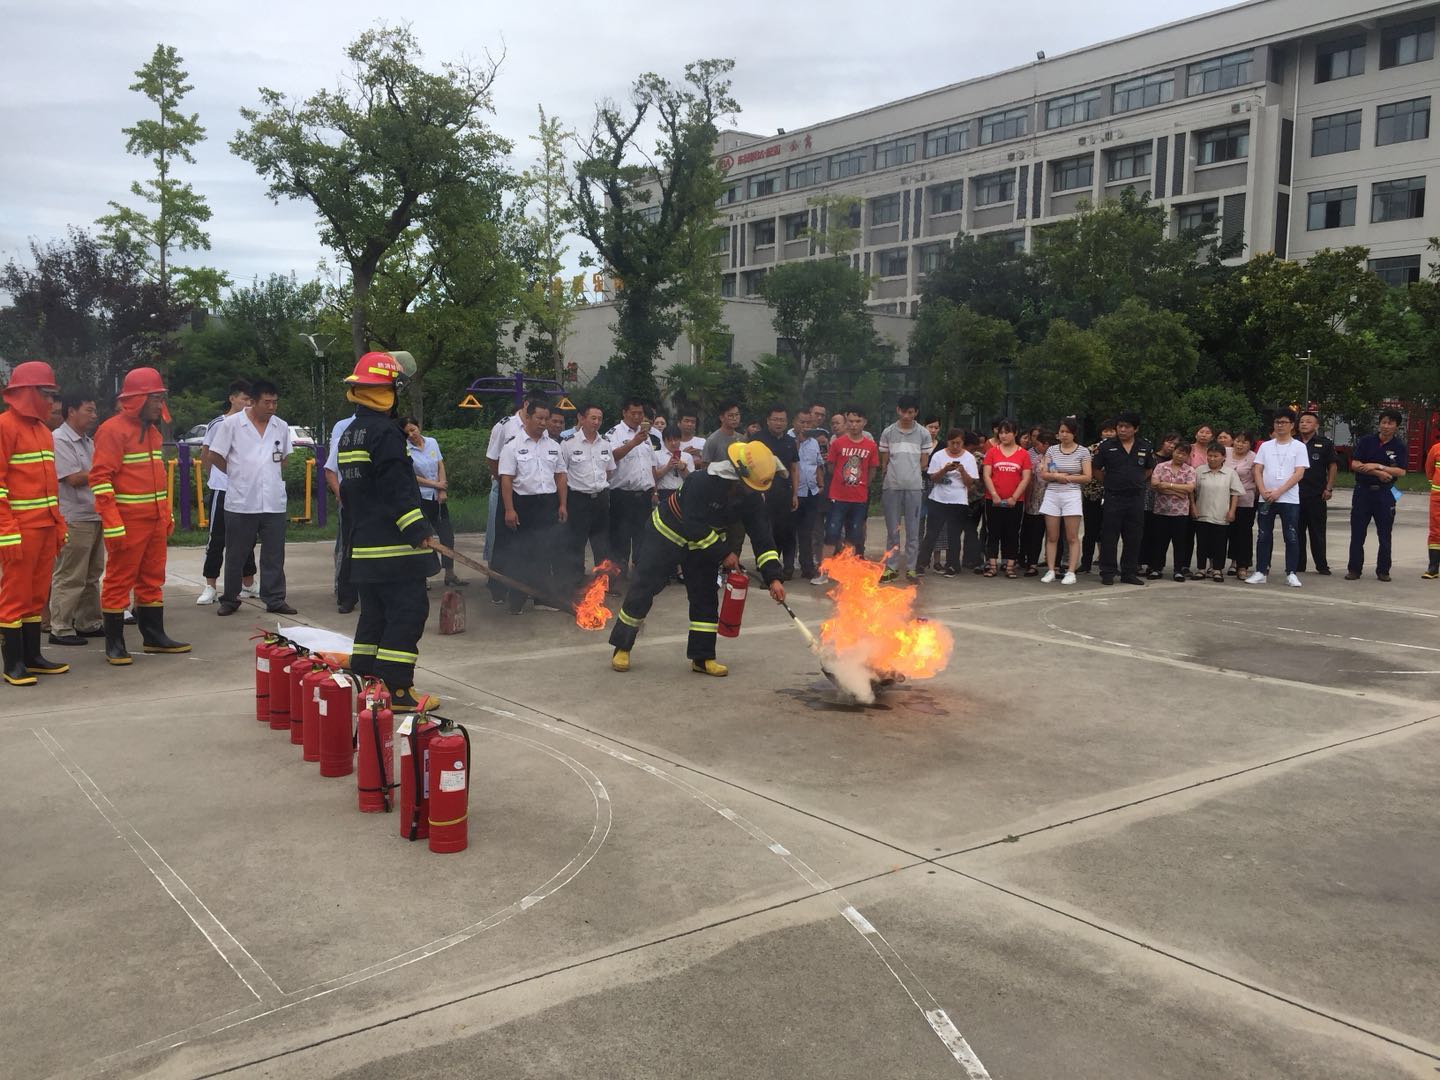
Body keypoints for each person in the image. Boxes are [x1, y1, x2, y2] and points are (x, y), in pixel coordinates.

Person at [608, 441, 785, 676]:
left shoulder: (751, 498)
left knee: (705, 597)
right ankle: (622, 647)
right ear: (737, 475)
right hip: (667, 535)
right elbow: (693, 524)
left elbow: (763, 538)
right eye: (750, 486)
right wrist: (724, 553)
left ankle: (702, 658)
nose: (754, 492)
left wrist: (773, 577)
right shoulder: (700, 482)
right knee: (644, 588)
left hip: (704, 545)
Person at [337, 353, 439, 712]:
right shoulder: (386, 434)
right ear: (389, 392)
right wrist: (420, 530)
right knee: (408, 612)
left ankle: (367, 677)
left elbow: (354, 493)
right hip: (395, 550)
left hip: (365, 545)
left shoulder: (351, 433)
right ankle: (397, 690)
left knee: (374, 614)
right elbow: (397, 489)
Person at [90, 367, 189, 664]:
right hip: (128, 522)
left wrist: (166, 513)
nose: (161, 405)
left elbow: (156, 477)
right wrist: (113, 523)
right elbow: (100, 479)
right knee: (119, 580)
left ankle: (154, 637)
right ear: (138, 399)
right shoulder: (112, 430)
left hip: (155, 520)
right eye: (156, 399)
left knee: (152, 579)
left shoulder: (153, 431)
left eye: (161, 398)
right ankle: (115, 644)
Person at [0, 362, 69, 685]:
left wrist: (57, 525)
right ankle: (12, 663)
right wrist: (7, 531)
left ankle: (32, 657)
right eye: (46, 394)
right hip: (19, 529)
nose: (52, 402)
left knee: (36, 595)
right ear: (28, 393)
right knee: (14, 596)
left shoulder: (43, 432)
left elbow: (49, 485)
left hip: (44, 527)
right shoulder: (4, 427)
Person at [206, 379, 295, 616]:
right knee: (236, 552)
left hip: (273, 501)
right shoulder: (232, 425)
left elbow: (284, 459)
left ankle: (275, 598)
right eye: (267, 402)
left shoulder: (281, 426)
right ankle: (231, 598)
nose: (272, 407)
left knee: (274, 554)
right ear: (253, 402)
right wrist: (236, 473)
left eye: (275, 402)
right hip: (241, 501)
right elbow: (215, 455)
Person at [497, 398, 567, 614]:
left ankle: (542, 598)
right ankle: (517, 599)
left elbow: (561, 476)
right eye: (539, 418)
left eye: (547, 419)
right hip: (523, 504)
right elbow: (506, 479)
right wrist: (509, 509)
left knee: (545, 552)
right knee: (522, 553)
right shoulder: (513, 446)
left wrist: (562, 504)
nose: (544, 423)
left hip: (547, 503)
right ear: (527, 417)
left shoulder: (554, 446)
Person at [48, 391, 105, 647]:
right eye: (89, 410)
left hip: (94, 514)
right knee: (71, 574)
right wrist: (103, 472)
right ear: (71, 411)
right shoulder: (59, 440)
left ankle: (88, 622)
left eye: (94, 411)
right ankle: (60, 627)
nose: (94, 415)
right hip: (74, 517)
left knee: (93, 573)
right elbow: (72, 477)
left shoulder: (87, 441)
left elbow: (91, 473)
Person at [196, 380, 257, 606]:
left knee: (247, 538)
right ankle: (210, 586)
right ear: (232, 398)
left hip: (245, 491)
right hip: (222, 489)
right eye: (244, 399)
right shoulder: (219, 424)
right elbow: (207, 454)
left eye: (251, 400)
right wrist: (216, 479)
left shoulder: (251, 425)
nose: (248, 404)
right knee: (217, 539)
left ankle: (248, 583)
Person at [487, 396, 543, 602]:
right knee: (503, 543)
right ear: (527, 405)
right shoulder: (505, 426)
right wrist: (502, 480)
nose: (543, 421)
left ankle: (525, 590)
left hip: (533, 497)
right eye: (539, 415)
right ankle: (498, 589)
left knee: (529, 546)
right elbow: (492, 458)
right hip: (507, 490)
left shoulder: (544, 434)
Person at [814, 406, 879, 584]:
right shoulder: (837, 443)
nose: (854, 425)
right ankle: (824, 572)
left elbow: (872, 471)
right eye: (850, 421)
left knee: (853, 536)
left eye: (858, 421)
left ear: (864, 423)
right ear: (846, 421)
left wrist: (862, 484)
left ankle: (847, 572)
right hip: (838, 496)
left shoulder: (870, 446)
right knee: (831, 534)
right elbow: (831, 467)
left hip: (859, 498)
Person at [401, 417, 465, 588]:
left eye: (413, 429)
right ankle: (424, 576)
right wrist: (435, 484)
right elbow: (411, 476)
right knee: (424, 537)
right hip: (421, 497)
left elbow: (440, 465)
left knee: (447, 535)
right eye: (407, 432)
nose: (411, 434)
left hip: (437, 497)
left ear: (419, 427)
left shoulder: (432, 442)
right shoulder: (405, 449)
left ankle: (450, 573)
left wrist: (441, 488)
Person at [1246, 409, 1308, 587]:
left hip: (1289, 499)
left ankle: (1291, 573)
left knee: (1291, 535)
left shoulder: (1299, 447)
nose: (1280, 426)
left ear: (1291, 425)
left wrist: (1279, 491)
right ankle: (1261, 571)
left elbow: (1299, 473)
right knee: (1263, 535)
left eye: (1283, 422)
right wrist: (1263, 489)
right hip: (1266, 498)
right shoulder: (1266, 446)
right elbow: (1257, 469)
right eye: (1277, 422)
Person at [1346, 407, 1407, 581]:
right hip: (1363, 492)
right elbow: (1356, 464)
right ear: (1379, 423)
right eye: (1384, 422)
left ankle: (1383, 570)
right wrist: (1378, 473)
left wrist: (1377, 466)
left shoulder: (1399, 446)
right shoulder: (1366, 441)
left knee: (1385, 533)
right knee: (1357, 532)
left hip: (1385, 494)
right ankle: (1354, 569)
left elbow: (1401, 471)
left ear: (1397, 426)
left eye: (1391, 423)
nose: (1386, 426)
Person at [1094, 412, 1155, 586]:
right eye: (1119, 426)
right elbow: (1097, 469)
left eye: (1126, 427)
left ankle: (1129, 572)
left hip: (1135, 497)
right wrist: (1109, 482)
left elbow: (1149, 469)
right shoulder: (1107, 446)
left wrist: (1136, 481)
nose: (1122, 430)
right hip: (1113, 496)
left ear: (1135, 429)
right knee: (1109, 536)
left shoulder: (1144, 446)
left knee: (1133, 536)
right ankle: (1107, 571)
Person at [878, 394, 934, 583]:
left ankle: (911, 568)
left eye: (911, 412)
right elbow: (884, 462)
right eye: (903, 411)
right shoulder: (888, 432)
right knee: (893, 530)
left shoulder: (923, 434)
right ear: (898, 410)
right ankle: (891, 568)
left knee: (912, 530)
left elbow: (924, 463)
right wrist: (887, 479)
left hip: (914, 487)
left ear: (916, 412)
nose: (907, 416)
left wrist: (913, 476)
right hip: (892, 487)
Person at [561, 404, 614, 589]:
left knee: (602, 543)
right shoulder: (568, 443)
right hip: (578, 500)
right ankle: (576, 582)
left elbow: (609, 472)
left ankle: (602, 582)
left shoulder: (605, 443)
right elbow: (562, 474)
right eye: (593, 418)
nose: (597, 422)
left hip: (600, 499)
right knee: (577, 543)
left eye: (599, 419)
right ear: (581, 418)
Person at [606, 398, 656, 577]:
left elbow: (651, 465)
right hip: (622, 496)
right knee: (621, 538)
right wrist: (633, 442)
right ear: (624, 413)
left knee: (643, 536)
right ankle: (617, 575)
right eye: (633, 413)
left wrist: (654, 490)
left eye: (640, 413)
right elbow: (611, 457)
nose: (637, 417)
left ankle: (640, 572)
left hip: (644, 495)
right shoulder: (614, 433)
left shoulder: (647, 435)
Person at [918, 428, 978, 578]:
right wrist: (945, 469)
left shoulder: (969, 458)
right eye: (952, 443)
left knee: (954, 535)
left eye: (958, 443)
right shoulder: (939, 455)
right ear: (948, 442)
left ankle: (952, 565)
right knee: (932, 533)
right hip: (938, 499)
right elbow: (932, 478)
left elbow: (970, 483)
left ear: (963, 443)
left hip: (958, 501)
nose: (955, 446)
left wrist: (962, 471)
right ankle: (921, 563)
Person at [1039, 419, 1091, 584]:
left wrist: (1067, 478)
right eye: (1061, 431)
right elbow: (1045, 474)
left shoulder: (1083, 452)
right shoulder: (1052, 450)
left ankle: (1070, 571)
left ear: (1074, 433)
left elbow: (1087, 476)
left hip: (1071, 494)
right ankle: (1051, 570)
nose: (1064, 434)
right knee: (1052, 536)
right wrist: (1056, 476)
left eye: (1067, 431)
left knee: (1072, 536)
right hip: (1052, 494)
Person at [752, 403, 799, 580]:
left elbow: (794, 468)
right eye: (775, 419)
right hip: (763, 494)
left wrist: (795, 494)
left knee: (785, 532)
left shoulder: (789, 441)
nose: (779, 423)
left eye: (782, 420)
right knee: (766, 533)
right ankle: (769, 573)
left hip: (784, 494)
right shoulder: (757, 439)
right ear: (768, 420)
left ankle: (786, 568)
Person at [981, 420, 1030, 578]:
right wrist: (994, 494)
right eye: (1001, 432)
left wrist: (1014, 497)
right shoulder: (992, 452)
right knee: (993, 532)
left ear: (1015, 433)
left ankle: (1010, 565)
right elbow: (987, 475)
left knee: (1012, 533)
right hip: (993, 500)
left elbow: (1025, 478)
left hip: (1015, 502)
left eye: (1007, 432)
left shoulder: (1023, 454)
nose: (1003, 435)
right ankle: (992, 565)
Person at [325, 407, 360, 613]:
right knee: (348, 549)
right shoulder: (344, 437)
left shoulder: (384, 434)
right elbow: (330, 471)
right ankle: (346, 595)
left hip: (377, 506)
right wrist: (341, 497)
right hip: (350, 504)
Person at [1192, 443, 1243, 580]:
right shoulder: (1199, 471)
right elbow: (1191, 491)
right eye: (1210, 456)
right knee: (1202, 543)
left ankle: (1217, 570)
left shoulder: (1230, 473)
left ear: (1223, 457)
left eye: (1216, 456)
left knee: (1220, 544)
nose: (1212, 459)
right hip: (1202, 513)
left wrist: (1232, 511)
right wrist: (1193, 507)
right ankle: (1201, 569)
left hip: (1221, 514)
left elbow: (1235, 494)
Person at [1295, 411, 1337, 575]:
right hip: (1295, 493)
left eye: (1308, 421)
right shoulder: (1293, 443)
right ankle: (1299, 564)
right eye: (1302, 421)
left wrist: (1329, 487)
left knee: (1317, 531)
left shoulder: (1324, 443)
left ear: (1316, 425)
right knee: (1297, 530)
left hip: (1316, 494)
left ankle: (1321, 565)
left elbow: (1332, 466)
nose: (1304, 424)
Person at [1150, 440, 1197, 581]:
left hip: (1180, 513)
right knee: (1159, 541)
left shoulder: (1189, 470)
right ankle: (1157, 568)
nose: (1180, 456)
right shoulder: (1161, 466)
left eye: (1184, 454)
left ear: (1188, 456)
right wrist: (1178, 491)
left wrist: (1167, 486)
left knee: (1180, 542)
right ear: (1173, 452)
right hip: (1161, 510)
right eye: (1178, 452)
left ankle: (1178, 570)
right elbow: (1155, 484)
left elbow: (1189, 488)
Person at [1078, 419, 1114, 573]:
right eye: (1105, 430)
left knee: (1110, 532)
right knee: (1090, 531)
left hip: (1113, 495)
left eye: (1112, 430)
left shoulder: (1122, 449)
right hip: (1092, 494)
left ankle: (1108, 564)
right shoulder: (1090, 450)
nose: (1109, 433)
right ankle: (1085, 563)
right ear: (1100, 432)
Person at [791, 410, 824, 581]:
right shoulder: (787, 439)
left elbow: (817, 465)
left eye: (808, 423)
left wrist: (821, 484)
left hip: (811, 492)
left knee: (807, 531)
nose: (805, 426)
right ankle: (787, 566)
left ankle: (807, 567)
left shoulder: (814, 443)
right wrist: (797, 442)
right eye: (802, 422)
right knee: (789, 531)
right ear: (794, 422)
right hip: (794, 492)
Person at [1226, 431, 1258, 578]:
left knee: (1243, 533)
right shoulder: (1225, 452)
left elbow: (1257, 478)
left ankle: (1242, 565)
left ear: (1250, 445)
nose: (1240, 444)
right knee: (1227, 532)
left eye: (1244, 442)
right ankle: (1227, 563)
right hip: (1223, 499)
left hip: (1245, 499)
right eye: (1238, 441)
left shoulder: (1253, 458)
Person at [1020, 428, 1052, 575]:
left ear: (1046, 444)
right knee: (1034, 534)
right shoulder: (1037, 458)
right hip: (1035, 501)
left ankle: (1055, 565)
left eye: (1039, 444)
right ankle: (1032, 562)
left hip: (1051, 500)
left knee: (1053, 534)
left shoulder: (1054, 459)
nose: (1036, 447)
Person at [652, 423, 692, 495]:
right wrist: (668, 467)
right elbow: (652, 477)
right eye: (670, 440)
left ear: (680, 439)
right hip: (663, 492)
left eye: (676, 440)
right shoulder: (656, 455)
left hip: (682, 492)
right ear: (664, 441)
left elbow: (692, 480)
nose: (673, 443)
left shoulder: (687, 456)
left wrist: (683, 468)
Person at [1424, 435, 1440, 579]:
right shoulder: (1435, 449)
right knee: (1435, 531)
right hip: (1437, 498)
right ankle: (1433, 567)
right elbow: (1429, 470)